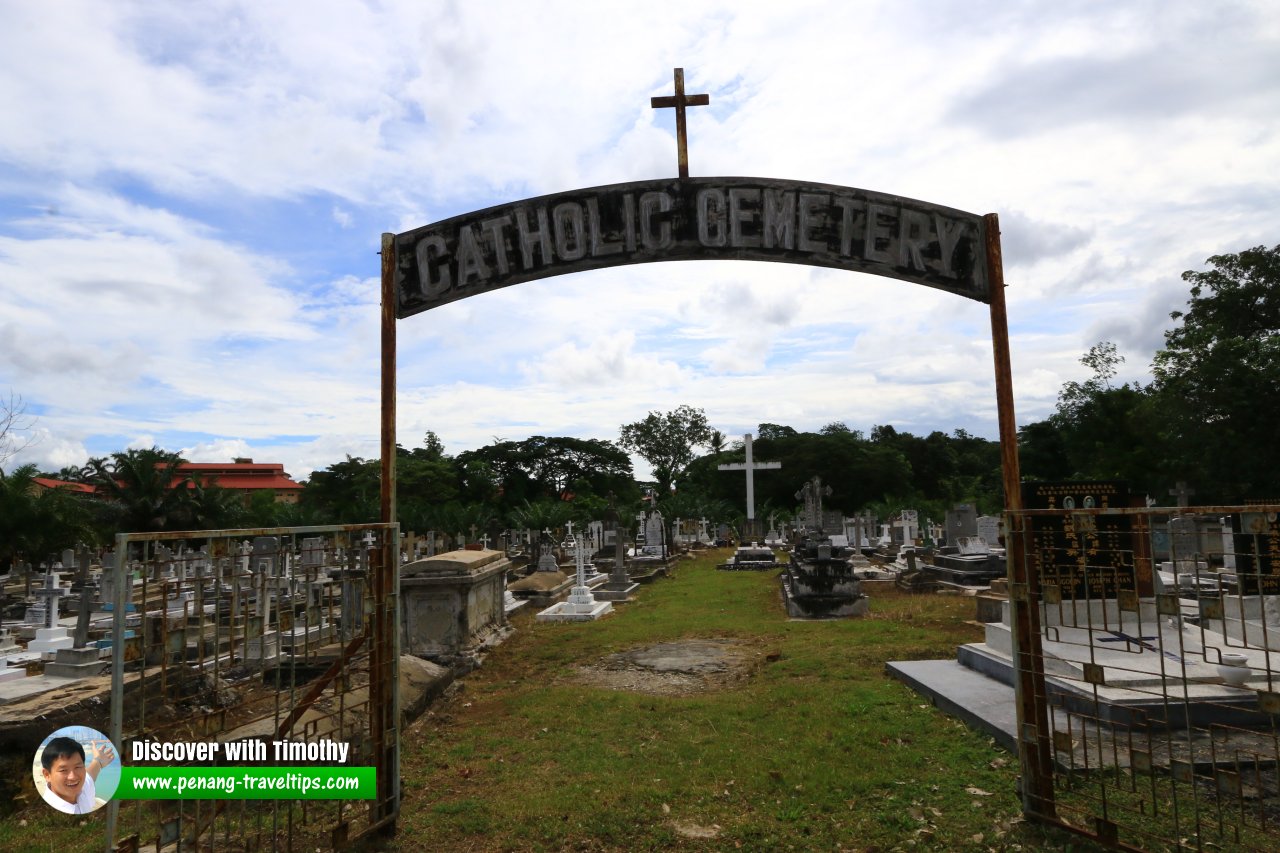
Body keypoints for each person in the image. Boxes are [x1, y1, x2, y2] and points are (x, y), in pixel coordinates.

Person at [39, 735, 115, 814]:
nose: (73, 777)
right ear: (47, 775)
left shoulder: (83, 789)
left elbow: (90, 774)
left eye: (77, 767)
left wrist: (98, 761)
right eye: (63, 770)